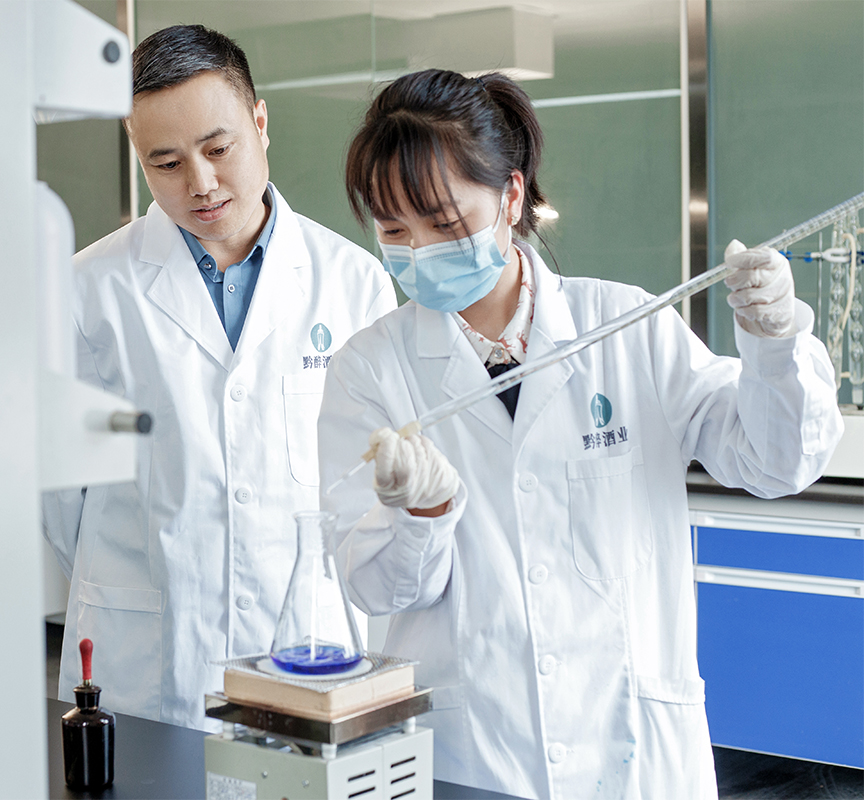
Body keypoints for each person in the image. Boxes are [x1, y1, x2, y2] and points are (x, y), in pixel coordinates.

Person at [318, 69, 843, 799]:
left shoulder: (628, 328)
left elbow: (774, 461)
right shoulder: (369, 368)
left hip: (631, 745)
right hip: (476, 753)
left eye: (443, 223)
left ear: (510, 196)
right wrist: (419, 516)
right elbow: (375, 589)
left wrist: (776, 344)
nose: (419, 251)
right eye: (394, 230)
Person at [41, 24, 397, 730]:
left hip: (307, 646)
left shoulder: (353, 284)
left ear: (260, 122)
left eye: (218, 149)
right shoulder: (85, 291)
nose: (200, 184)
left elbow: (370, 490)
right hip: (148, 655)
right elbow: (59, 498)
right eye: (166, 162)